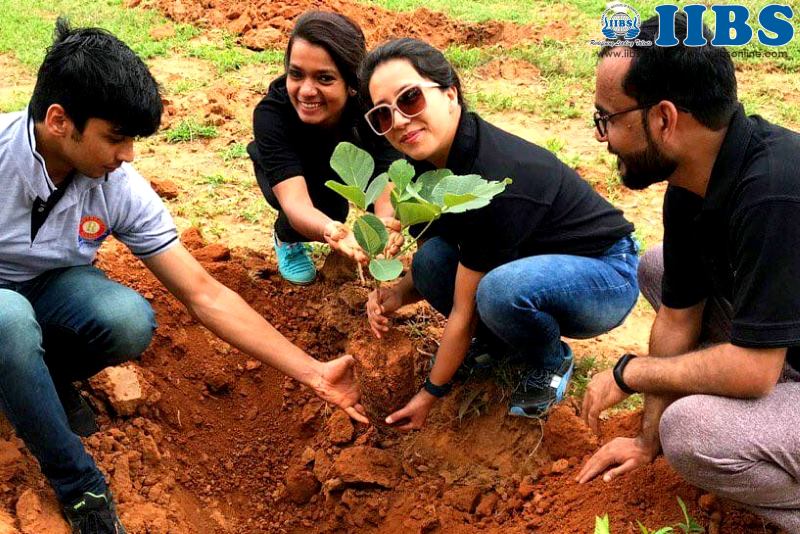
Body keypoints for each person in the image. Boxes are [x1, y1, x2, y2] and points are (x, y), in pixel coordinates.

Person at [0, 19, 366, 534]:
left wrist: (312, 372)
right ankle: (79, 487)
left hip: (47, 289)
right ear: (59, 120)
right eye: (116, 138)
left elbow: (203, 293)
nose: (127, 156)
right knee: (9, 320)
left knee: (127, 320)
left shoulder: (116, 185)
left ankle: (45, 377)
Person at [576, 14, 800, 532]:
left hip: (769, 361)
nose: (602, 136)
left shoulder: (776, 192)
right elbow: (678, 318)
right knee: (657, 267)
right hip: (784, 349)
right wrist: (644, 440)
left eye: (606, 117)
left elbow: (752, 371)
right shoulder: (693, 181)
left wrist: (630, 372)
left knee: (693, 432)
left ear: (664, 119)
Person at [360, 38, 639, 429]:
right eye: (383, 116)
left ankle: (549, 360)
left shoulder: (492, 176)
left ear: (450, 94)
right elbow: (445, 264)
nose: (401, 121)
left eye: (410, 99)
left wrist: (430, 394)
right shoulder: (430, 164)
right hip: (529, 263)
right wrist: (396, 294)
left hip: (606, 274)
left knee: (496, 292)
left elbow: (464, 308)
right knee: (431, 260)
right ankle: (500, 345)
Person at [247, 11, 401, 285]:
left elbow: (386, 171)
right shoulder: (272, 114)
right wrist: (331, 230)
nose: (306, 90)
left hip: (352, 162)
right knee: (329, 209)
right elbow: (296, 203)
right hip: (296, 171)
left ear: (352, 83)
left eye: (325, 78)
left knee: (395, 194)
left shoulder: (372, 106)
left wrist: (384, 226)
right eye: (296, 74)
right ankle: (287, 238)